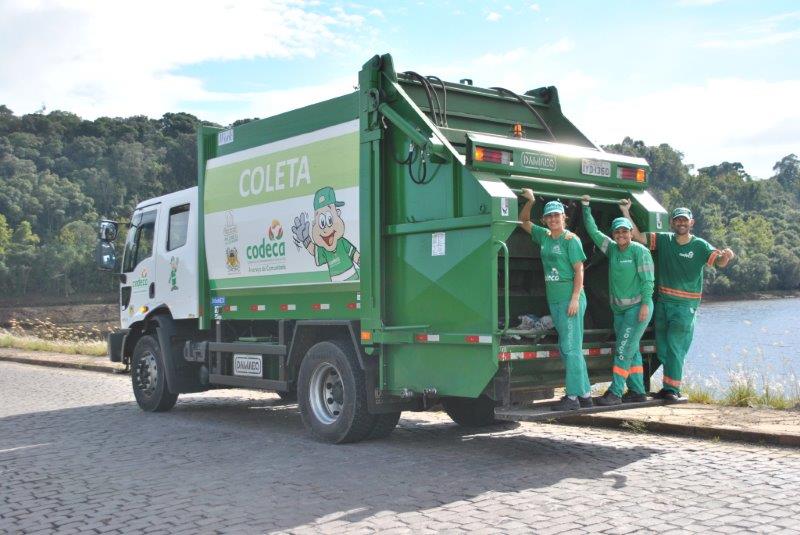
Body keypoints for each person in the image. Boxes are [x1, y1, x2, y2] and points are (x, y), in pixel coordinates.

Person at [620, 200, 735, 401]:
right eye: (678, 220)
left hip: (685, 307)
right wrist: (625, 212)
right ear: (672, 223)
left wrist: (727, 255)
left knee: (675, 347)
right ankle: (668, 388)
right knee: (663, 347)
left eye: (684, 220)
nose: (681, 223)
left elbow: (720, 262)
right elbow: (637, 237)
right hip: (664, 304)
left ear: (691, 222)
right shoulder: (665, 240)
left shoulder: (700, 245)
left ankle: (672, 390)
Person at [519, 188, 592, 411]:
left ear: (564, 217)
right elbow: (523, 221)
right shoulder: (544, 236)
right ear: (545, 219)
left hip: (570, 299)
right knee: (569, 347)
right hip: (555, 300)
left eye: (556, 215)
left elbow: (579, 270)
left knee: (570, 348)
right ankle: (585, 394)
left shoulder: (571, 240)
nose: (553, 219)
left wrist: (575, 299)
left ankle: (572, 397)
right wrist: (531, 201)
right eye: (549, 216)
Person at [581, 196, 654, 405]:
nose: (621, 235)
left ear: (631, 233)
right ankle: (638, 391)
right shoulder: (612, 249)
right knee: (632, 350)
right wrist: (585, 208)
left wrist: (645, 304)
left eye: (625, 231)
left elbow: (648, 281)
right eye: (617, 232)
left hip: (638, 309)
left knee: (622, 350)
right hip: (620, 310)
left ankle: (615, 392)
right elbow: (594, 232)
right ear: (613, 234)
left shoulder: (639, 251)